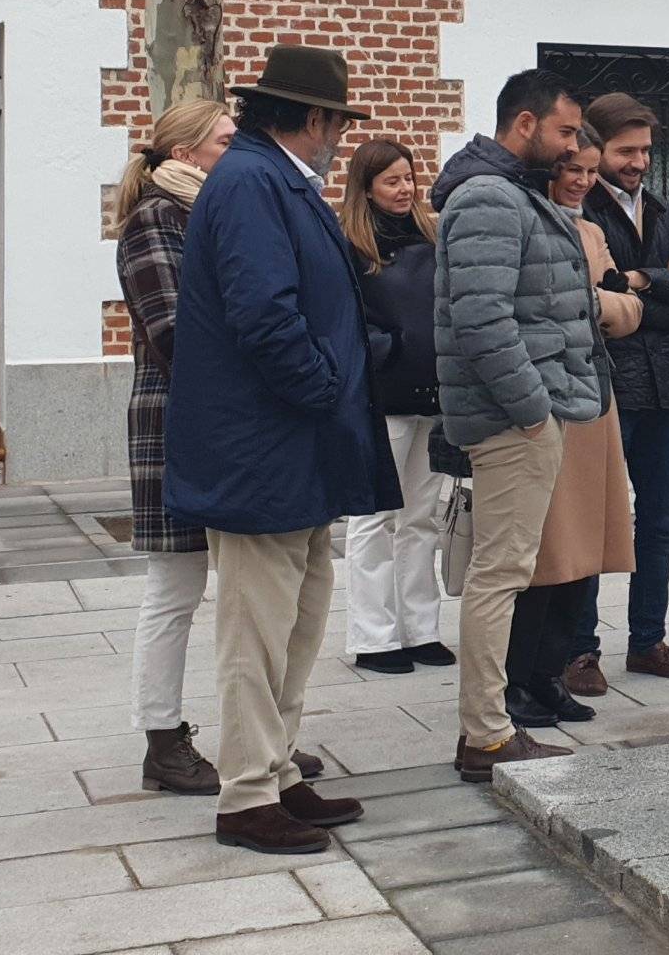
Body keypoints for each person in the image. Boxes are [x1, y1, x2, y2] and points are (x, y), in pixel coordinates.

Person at [165, 45, 398, 854]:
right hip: (265, 444)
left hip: (295, 445)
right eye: (336, 120)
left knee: (298, 621)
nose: (338, 136)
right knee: (255, 629)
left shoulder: (270, 179)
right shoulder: (254, 182)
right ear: (314, 117)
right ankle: (246, 796)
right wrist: (325, 387)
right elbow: (265, 315)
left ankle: (278, 773)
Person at [118, 97, 323, 796]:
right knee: (175, 587)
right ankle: (162, 739)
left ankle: (258, 737)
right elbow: (175, 332)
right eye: (224, 140)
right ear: (183, 154)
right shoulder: (156, 217)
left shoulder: (214, 208)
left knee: (248, 592)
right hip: (177, 419)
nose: (236, 152)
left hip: (220, 419)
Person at [431, 68, 598, 782]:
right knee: (499, 576)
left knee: (504, 571)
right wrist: (533, 410)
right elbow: (481, 316)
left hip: (522, 412)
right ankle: (487, 735)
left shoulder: (507, 193)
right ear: (524, 125)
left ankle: (487, 730)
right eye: (564, 132)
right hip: (511, 420)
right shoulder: (490, 196)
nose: (570, 150)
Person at [502, 139, 643, 728]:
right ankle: (517, 683)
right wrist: (607, 302)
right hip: (548, 404)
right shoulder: (525, 224)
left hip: (594, 403)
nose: (582, 181)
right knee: (544, 555)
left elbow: (630, 309)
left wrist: (611, 302)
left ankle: (551, 675)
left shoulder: (589, 232)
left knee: (583, 553)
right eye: (571, 170)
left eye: (591, 171)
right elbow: (574, 306)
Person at [576, 93, 669, 686]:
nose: (638, 161)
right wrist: (663, 290)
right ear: (597, 148)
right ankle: (578, 650)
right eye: (626, 150)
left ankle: (647, 641)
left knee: (659, 522)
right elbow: (588, 304)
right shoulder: (580, 210)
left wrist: (635, 282)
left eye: (646, 151)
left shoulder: (660, 208)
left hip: (664, 390)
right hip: (606, 389)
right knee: (593, 524)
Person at [341, 139, 456, 677]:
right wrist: (389, 350)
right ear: (366, 188)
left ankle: (420, 627)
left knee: (420, 518)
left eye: (409, 178)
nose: (405, 189)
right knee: (374, 518)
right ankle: (373, 634)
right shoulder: (350, 247)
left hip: (429, 394)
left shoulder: (432, 239)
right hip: (382, 396)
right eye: (391, 180)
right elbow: (343, 321)